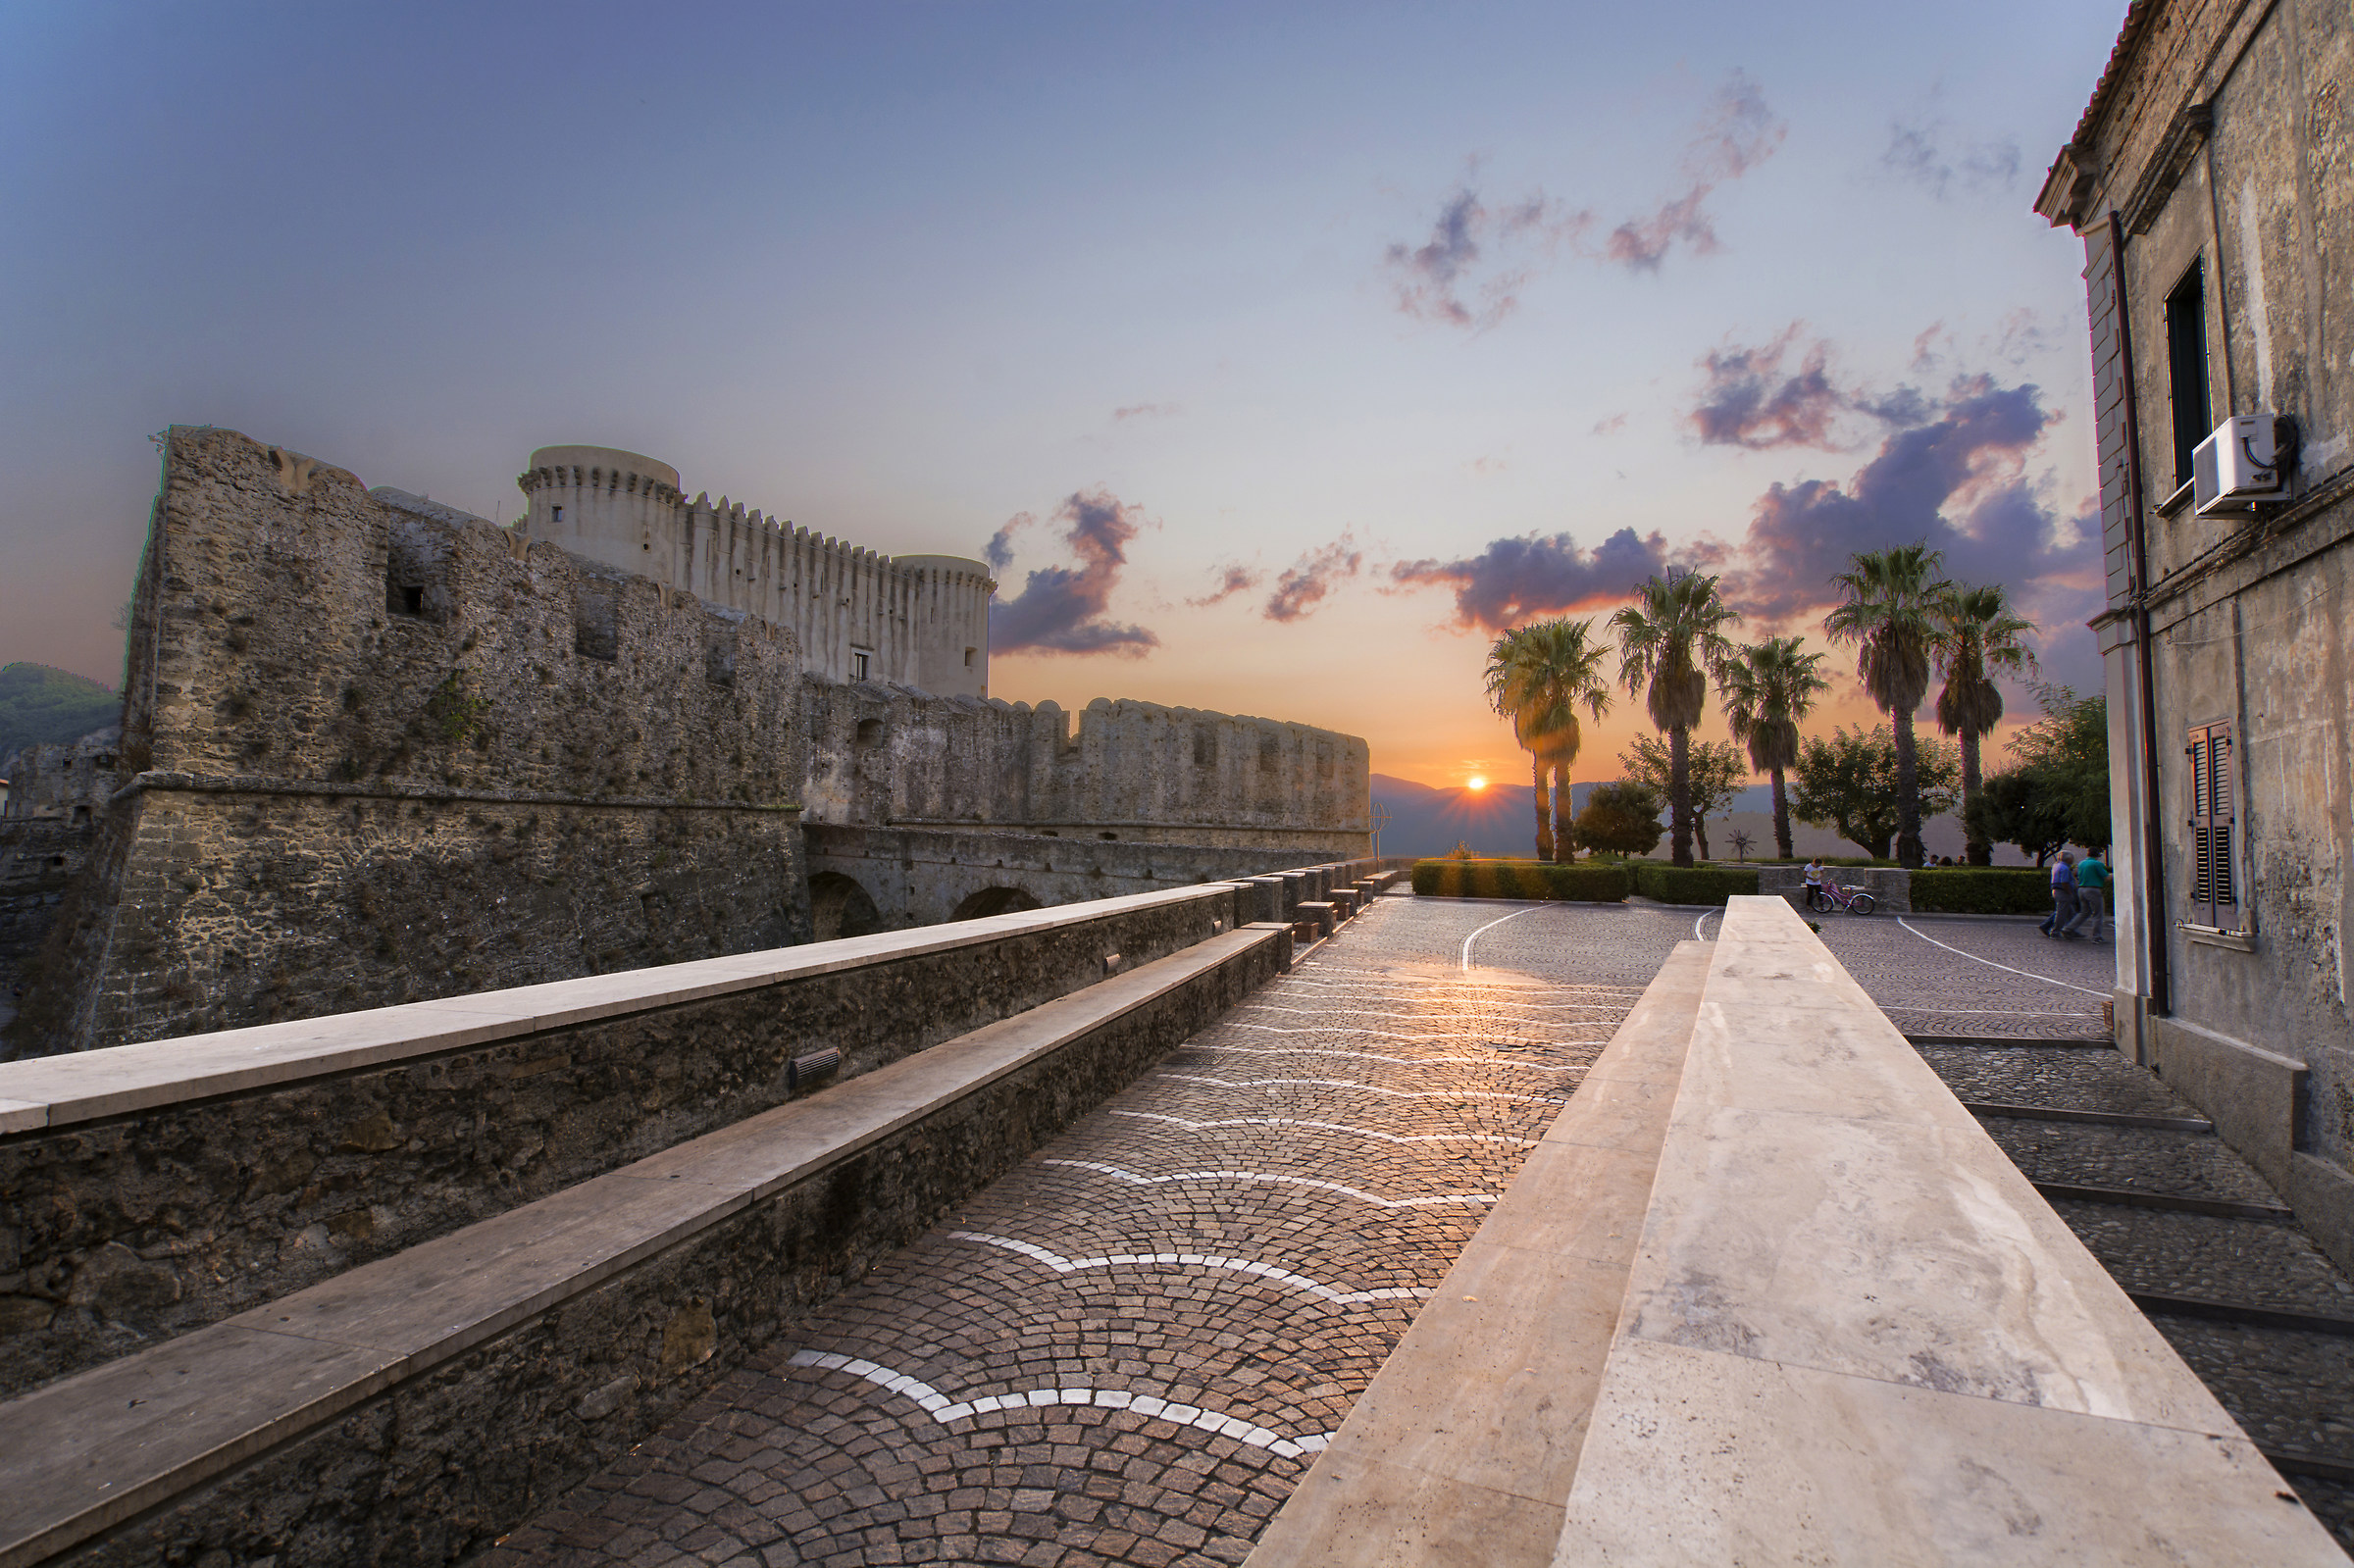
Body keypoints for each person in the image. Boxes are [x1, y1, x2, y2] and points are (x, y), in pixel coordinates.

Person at [2069, 850, 2109, 940]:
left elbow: (2074, 874)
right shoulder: (2097, 864)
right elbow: (2106, 877)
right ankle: (2096, 936)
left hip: (2081, 889)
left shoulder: (2081, 863)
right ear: (2098, 855)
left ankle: (2068, 928)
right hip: (2093, 889)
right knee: (2098, 914)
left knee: (2084, 912)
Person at [2041, 851, 2080, 938]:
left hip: (2058, 891)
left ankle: (2071, 930)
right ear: (2068, 859)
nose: (2073, 860)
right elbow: (2064, 882)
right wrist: (2070, 892)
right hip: (2063, 892)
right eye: (2072, 858)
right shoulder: (2064, 868)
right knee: (2061, 914)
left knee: (2070, 912)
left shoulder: (2057, 865)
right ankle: (2055, 931)